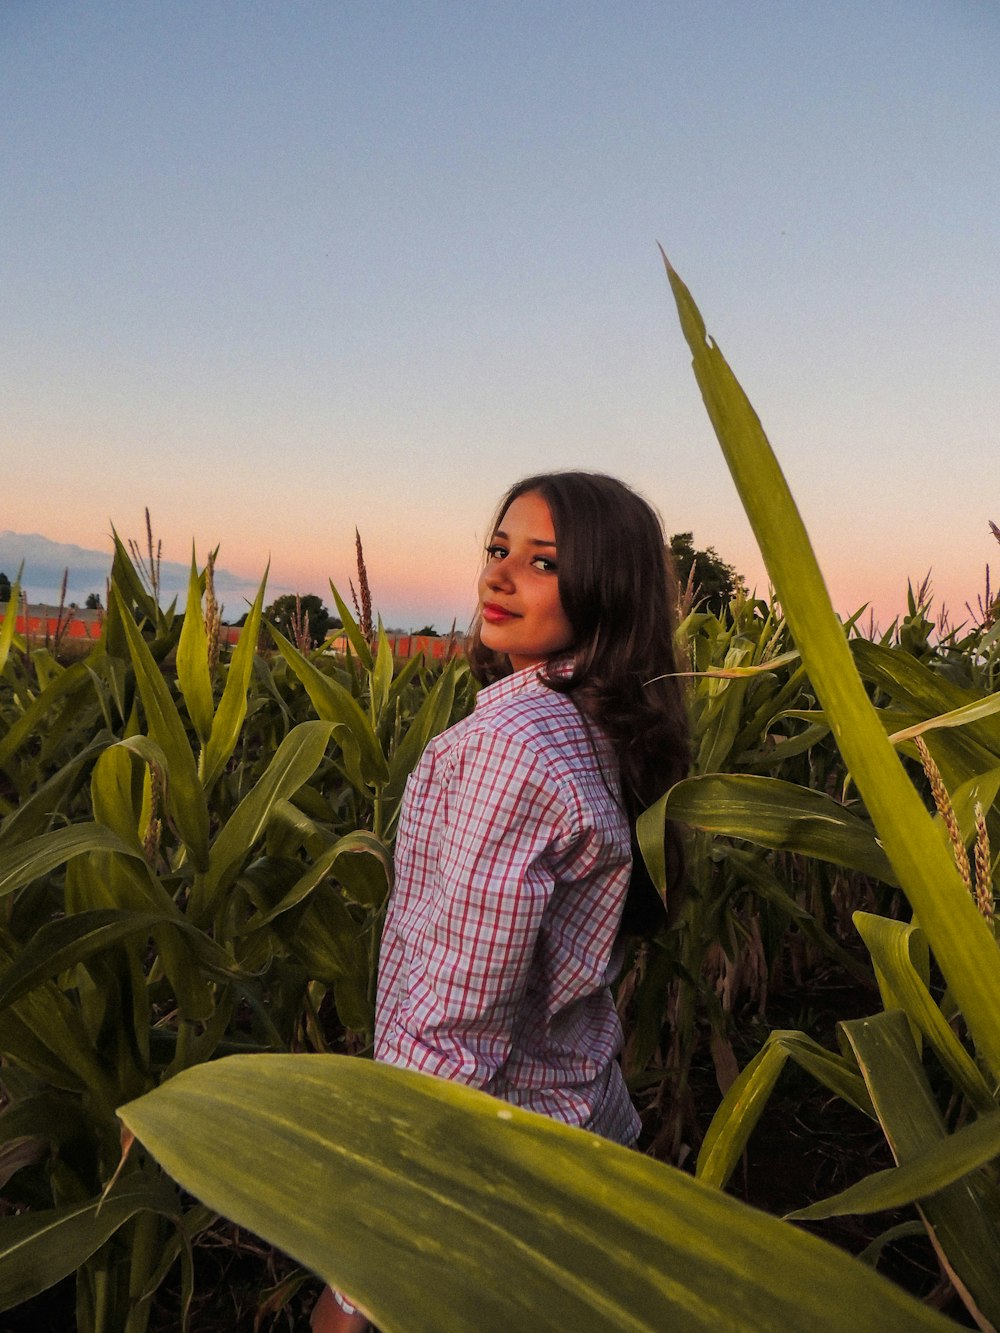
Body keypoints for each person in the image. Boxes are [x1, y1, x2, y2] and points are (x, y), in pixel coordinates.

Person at [312, 472, 689, 1332]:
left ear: (608, 588)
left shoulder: (506, 749)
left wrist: (358, 1271)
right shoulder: (602, 729)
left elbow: (455, 1022)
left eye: (543, 561)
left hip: (490, 1176)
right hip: (586, 1126)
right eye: (497, 549)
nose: (500, 575)